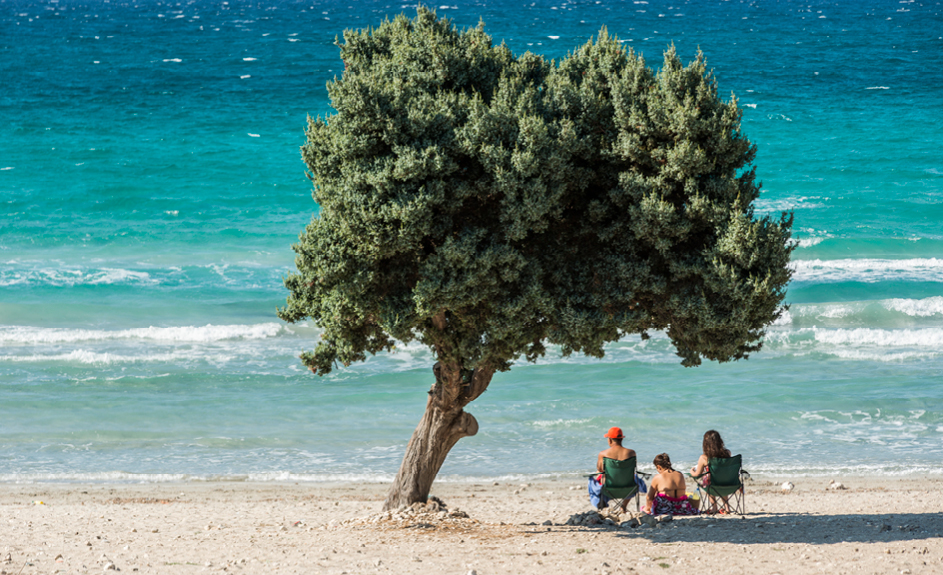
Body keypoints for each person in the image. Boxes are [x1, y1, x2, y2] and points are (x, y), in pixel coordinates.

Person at [587, 427, 644, 510]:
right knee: (633, 476)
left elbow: (600, 469)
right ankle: (623, 506)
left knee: (595, 477)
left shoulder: (603, 454)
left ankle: (601, 502)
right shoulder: (632, 453)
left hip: (608, 489)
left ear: (610, 440)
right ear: (621, 439)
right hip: (629, 489)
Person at [690, 429, 732, 513]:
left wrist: (691, 471)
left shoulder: (704, 457)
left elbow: (697, 474)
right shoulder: (727, 453)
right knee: (721, 478)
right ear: (720, 441)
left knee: (708, 480)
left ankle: (714, 507)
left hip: (712, 486)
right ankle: (727, 508)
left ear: (705, 444)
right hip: (728, 484)